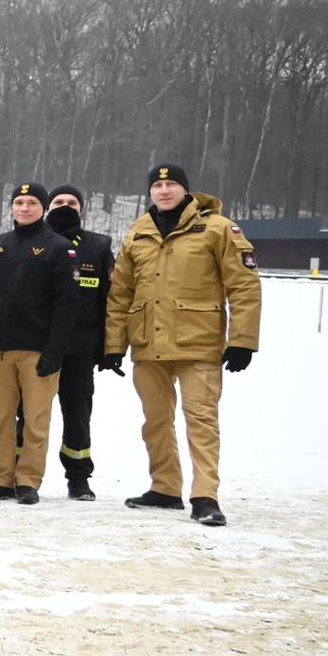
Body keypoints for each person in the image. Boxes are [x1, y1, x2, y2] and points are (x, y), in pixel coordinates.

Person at [104, 164, 260, 527]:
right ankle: (165, 487)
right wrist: (114, 344)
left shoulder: (218, 228)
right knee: (155, 421)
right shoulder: (137, 233)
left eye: (170, 184)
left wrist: (243, 340)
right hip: (148, 344)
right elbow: (120, 294)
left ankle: (205, 495)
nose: (163, 191)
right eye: (156, 186)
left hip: (198, 344)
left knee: (202, 420)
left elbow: (244, 285)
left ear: (186, 190)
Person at [0, 182, 78, 506]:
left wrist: (55, 352)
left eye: (32, 203)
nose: (24, 208)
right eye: (19, 202)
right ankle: (0, 479)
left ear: (43, 208)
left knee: (35, 421)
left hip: (37, 352)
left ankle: (29, 481)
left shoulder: (58, 247)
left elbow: (67, 304)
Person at [20, 185, 114, 501]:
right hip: (35, 346)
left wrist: (108, 347)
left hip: (78, 350)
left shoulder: (99, 247)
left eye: (72, 202)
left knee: (77, 414)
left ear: (82, 207)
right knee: (27, 414)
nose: (65, 206)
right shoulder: (31, 241)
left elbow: (108, 302)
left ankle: (78, 478)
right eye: (58, 202)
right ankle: (20, 475)